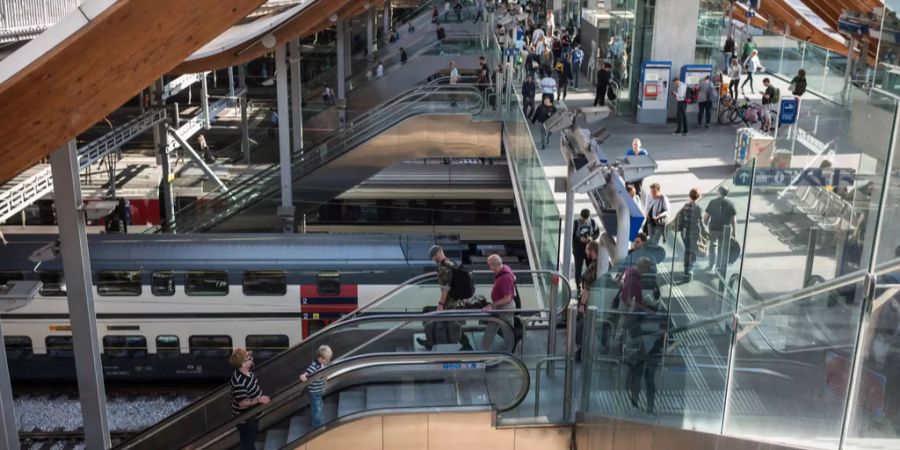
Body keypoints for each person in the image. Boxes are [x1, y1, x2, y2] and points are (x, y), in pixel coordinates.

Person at [416, 245, 473, 350]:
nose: (433, 260)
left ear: (437, 254)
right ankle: (464, 345)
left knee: (443, 320)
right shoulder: (452, 262)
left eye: (433, 257)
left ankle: (431, 342)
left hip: (451, 301)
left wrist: (441, 303)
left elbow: (445, 287)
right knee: (451, 322)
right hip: (458, 300)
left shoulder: (443, 267)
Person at [229, 348, 270, 450]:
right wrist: (259, 400)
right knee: (248, 443)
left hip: (253, 416)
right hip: (246, 419)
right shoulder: (239, 381)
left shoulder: (248, 373)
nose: (252, 358)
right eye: (249, 358)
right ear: (243, 364)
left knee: (251, 438)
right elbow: (242, 403)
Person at [481, 254, 517, 350]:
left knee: (506, 332)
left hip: (504, 308)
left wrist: (491, 305)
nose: (489, 267)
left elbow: (507, 298)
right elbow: (514, 277)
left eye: (489, 265)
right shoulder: (505, 268)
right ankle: (484, 350)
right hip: (501, 307)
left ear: (495, 264)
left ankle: (510, 352)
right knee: (499, 330)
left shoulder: (504, 278)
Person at [704, 186, 737, 273]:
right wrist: (734, 231)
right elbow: (733, 219)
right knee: (722, 248)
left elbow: (706, 216)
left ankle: (711, 265)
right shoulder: (731, 203)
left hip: (713, 228)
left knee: (712, 246)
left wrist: (705, 223)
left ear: (719, 192)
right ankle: (719, 266)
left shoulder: (712, 202)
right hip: (725, 229)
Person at [300, 345, 333, 429]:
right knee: (316, 409)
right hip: (314, 392)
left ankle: (317, 418)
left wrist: (324, 387)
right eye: (327, 359)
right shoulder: (314, 366)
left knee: (318, 406)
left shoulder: (323, 364)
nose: (328, 361)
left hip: (319, 390)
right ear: (321, 358)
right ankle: (316, 425)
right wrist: (303, 376)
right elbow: (306, 373)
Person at [676, 188, 705, 282]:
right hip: (694, 232)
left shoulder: (685, 206)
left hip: (684, 232)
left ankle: (685, 271)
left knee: (687, 251)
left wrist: (679, 227)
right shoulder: (698, 208)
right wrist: (705, 231)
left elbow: (679, 216)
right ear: (699, 196)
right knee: (693, 251)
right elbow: (701, 222)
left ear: (690, 196)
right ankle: (690, 271)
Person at [573, 208, 600, 297]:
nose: (584, 221)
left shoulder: (592, 222)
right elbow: (571, 236)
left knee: (591, 268)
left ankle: (588, 286)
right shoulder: (576, 223)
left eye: (586, 220)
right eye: (583, 220)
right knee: (578, 269)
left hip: (589, 249)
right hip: (579, 250)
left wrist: (591, 238)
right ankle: (578, 287)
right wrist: (579, 239)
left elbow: (597, 232)